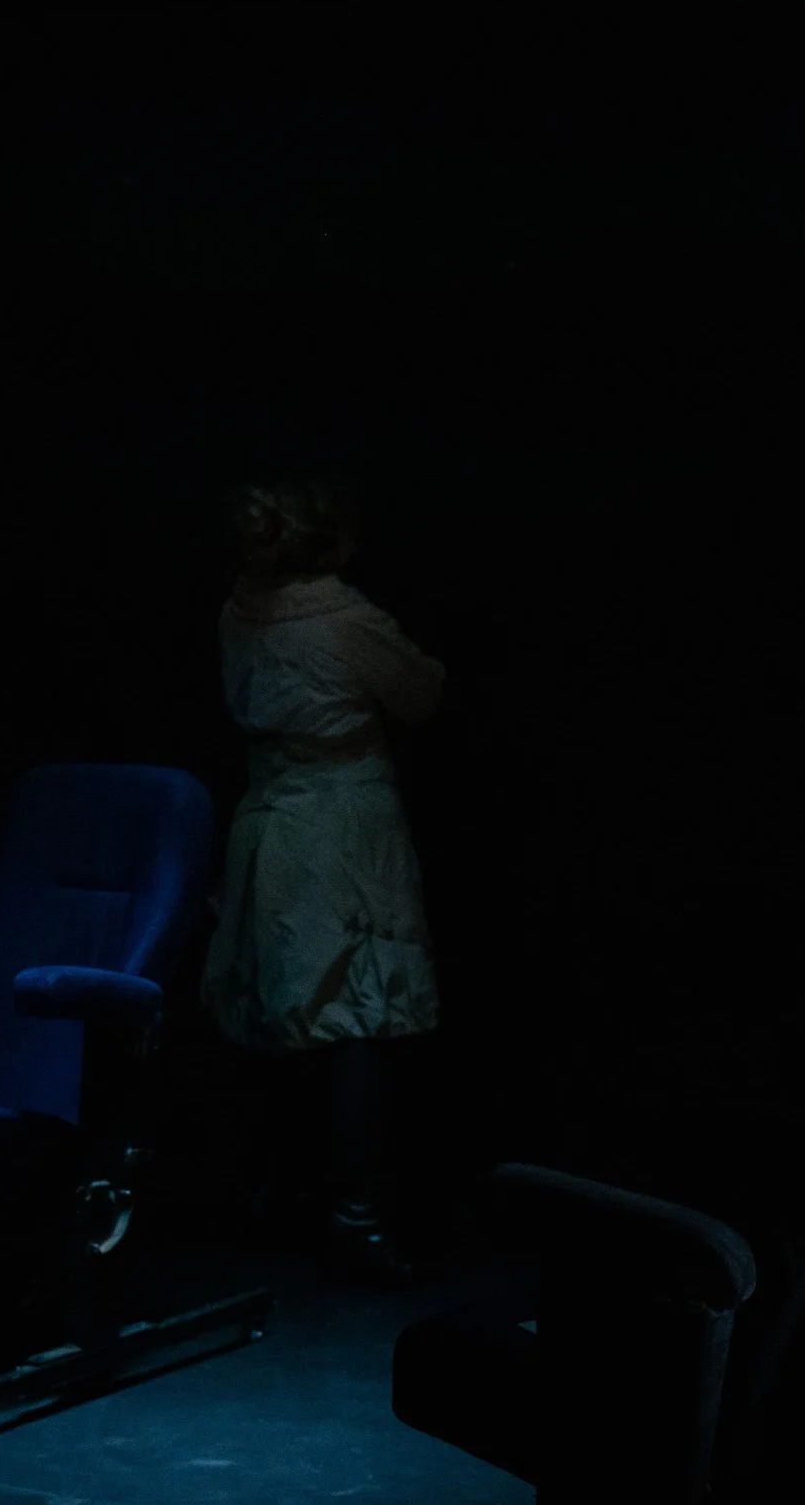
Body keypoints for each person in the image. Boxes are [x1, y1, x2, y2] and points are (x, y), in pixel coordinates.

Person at [203, 475, 448, 1282]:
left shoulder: (241, 607)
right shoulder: (341, 618)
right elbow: (424, 693)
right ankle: (354, 1215)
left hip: (269, 819)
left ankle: (268, 1195)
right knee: (355, 1018)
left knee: (282, 1015)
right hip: (339, 826)